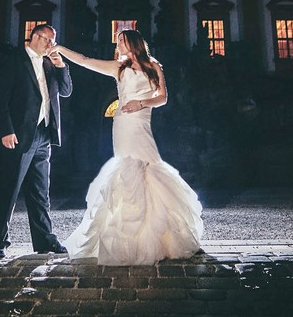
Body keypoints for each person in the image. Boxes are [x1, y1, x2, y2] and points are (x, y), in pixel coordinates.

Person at [52, 29, 204, 265]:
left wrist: (141, 102)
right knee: (128, 171)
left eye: (122, 41)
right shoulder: (118, 68)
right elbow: (85, 61)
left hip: (142, 121)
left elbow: (163, 97)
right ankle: (129, 238)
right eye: (118, 41)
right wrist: (61, 49)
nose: (118, 44)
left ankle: (167, 237)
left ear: (134, 43)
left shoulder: (154, 66)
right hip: (123, 124)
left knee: (152, 168)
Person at [0, 23, 73, 258]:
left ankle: (45, 240)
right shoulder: (14, 61)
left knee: (40, 191)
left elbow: (65, 91)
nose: (51, 45)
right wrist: (5, 130)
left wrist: (61, 65)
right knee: (9, 189)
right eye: (48, 40)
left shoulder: (49, 63)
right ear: (35, 37)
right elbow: (0, 99)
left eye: (53, 41)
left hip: (45, 134)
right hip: (19, 135)